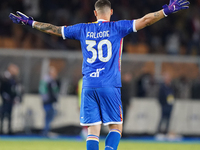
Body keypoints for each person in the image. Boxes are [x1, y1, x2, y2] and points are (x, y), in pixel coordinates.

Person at [9, 0, 189, 149]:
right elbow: (146, 20)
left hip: (88, 85)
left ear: (95, 14)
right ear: (110, 12)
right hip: (109, 84)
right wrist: (166, 11)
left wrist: (30, 23)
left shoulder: (82, 29)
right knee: (116, 127)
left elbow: (53, 29)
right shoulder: (118, 27)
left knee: (93, 130)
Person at [0, 64, 22, 135]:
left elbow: (15, 89)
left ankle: (9, 129)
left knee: (10, 115)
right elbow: (3, 88)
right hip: (6, 99)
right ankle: (1, 129)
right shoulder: (5, 77)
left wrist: (16, 97)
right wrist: (5, 95)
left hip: (11, 99)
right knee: (3, 114)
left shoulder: (14, 78)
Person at [39, 66, 60, 136]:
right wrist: (51, 100)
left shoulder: (50, 80)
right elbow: (48, 92)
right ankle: (46, 131)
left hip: (48, 101)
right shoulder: (48, 81)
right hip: (48, 102)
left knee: (50, 116)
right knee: (48, 116)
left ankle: (46, 130)